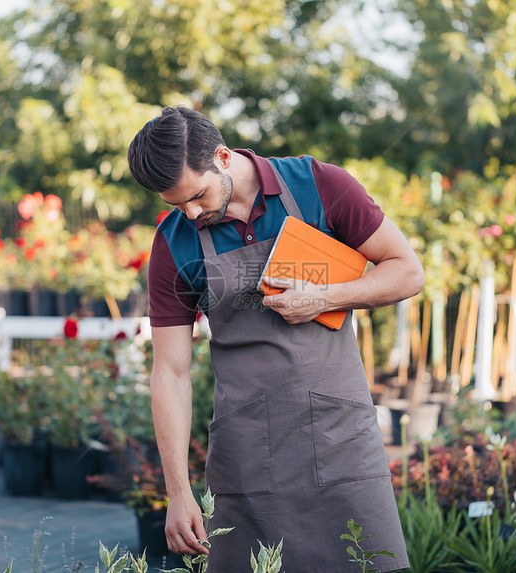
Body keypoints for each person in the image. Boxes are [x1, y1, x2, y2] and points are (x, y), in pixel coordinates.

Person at [127, 106, 424, 572]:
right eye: (176, 204)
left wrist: (325, 296)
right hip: (248, 454)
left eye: (198, 196)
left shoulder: (319, 186)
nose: (191, 213)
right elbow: (170, 372)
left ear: (223, 156)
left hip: (340, 437)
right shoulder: (174, 243)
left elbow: (407, 271)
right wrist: (178, 491)